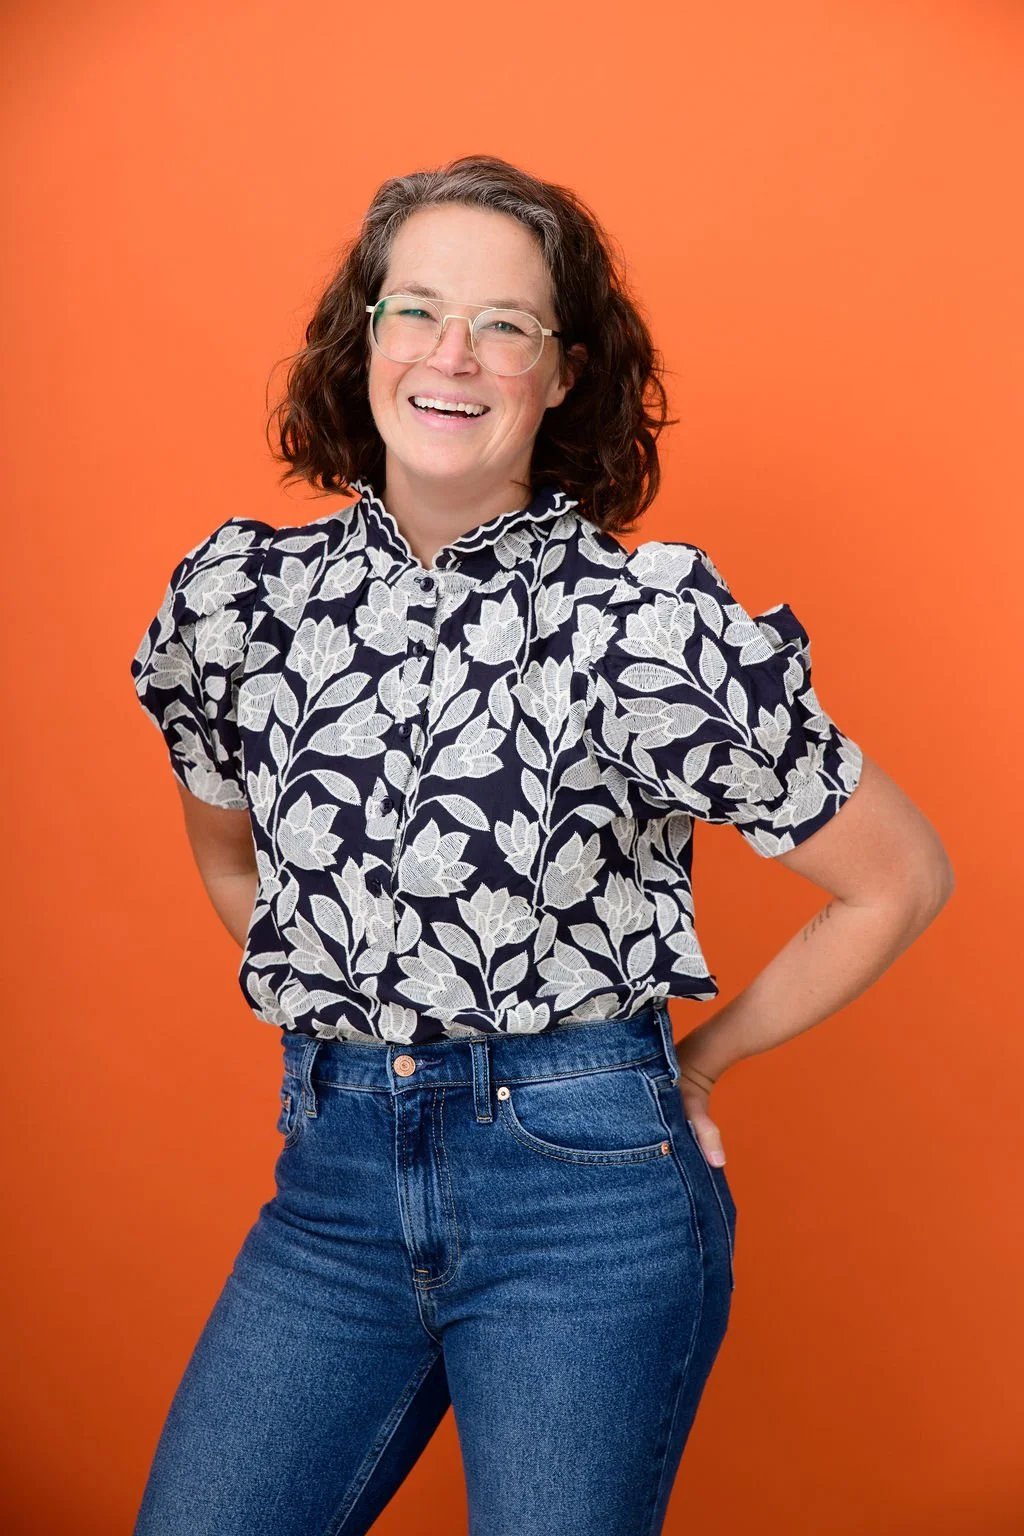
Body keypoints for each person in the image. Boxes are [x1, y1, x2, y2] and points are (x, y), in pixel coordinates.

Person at [128, 154, 954, 1536]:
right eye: (417, 310)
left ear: (564, 372)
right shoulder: (243, 605)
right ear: (363, 336)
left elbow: (899, 879)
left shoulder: (643, 629)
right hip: (332, 1186)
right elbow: (232, 863)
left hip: (587, 1202)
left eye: (504, 324)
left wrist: (692, 1064)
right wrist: (360, 996)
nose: (452, 355)